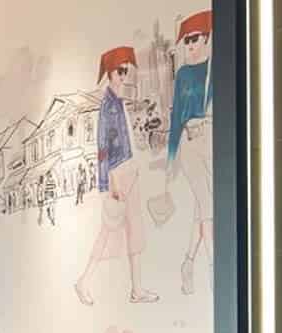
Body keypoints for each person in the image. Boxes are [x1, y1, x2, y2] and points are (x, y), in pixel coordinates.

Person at [76, 46, 158, 306]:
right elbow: (103, 148)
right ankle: (84, 281)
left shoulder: (119, 102)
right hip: (120, 174)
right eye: (120, 71)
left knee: (133, 230)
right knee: (110, 230)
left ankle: (136, 289)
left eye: (126, 70)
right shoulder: (108, 106)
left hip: (129, 170)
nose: (124, 75)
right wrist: (109, 183)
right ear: (110, 73)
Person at [169, 11, 214, 296]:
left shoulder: (215, 69)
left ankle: (187, 262)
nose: (190, 45)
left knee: (201, 207)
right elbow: (176, 117)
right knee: (207, 206)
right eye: (186, 41)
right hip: (189, 142)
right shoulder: (183, 75)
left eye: (194, 39)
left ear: (207, 38)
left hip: (211, 140)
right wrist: (171, 158)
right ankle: (214, 269)